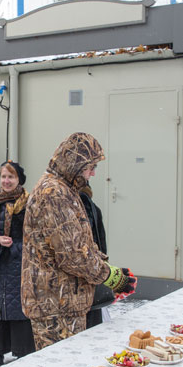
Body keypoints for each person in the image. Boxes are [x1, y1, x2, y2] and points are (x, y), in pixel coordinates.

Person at [21, 132, 136, 350]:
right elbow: (72, 255)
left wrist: (105, 268)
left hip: (62, 301)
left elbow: (79, 243)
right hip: (56, 304)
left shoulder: (64, 189)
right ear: (74, 164)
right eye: (89, 167)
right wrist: (109, 276)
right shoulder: (54, 193)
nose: (92, 173)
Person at [0, 160, 35, 367]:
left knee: (19, 307)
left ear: (18, 179)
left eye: (11, 177)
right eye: (3, 176)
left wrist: (16, 247)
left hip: (21, 262)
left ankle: (23, 351)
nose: (6, 181)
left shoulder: (29, 203)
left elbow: (34, 235)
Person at [78, 183, 108, 328]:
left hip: (79, 273)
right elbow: (102, 244)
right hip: (93, 269)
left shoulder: (76, 208)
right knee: (93, 317)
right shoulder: (95, 209)